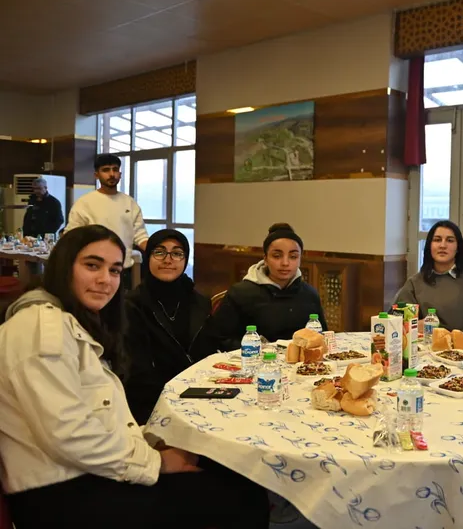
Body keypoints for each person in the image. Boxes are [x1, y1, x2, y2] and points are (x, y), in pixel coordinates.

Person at [0, 225, 269, 529]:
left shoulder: (67, 321)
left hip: (85, 471)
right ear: (63, 266)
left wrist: (150, 443)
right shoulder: (41, 329)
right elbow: (69, 435)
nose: (105, 280)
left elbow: (95, 416)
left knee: (227, 471)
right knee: (241, 498)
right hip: (61, 493)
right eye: (92, 265)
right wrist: (156, 462)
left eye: (115, 270)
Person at [191, 223, 326, 358]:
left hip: (301, 365)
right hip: (252, 363)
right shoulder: (241, 293)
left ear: (300, 259)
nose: (285, 263)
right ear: (265, 259)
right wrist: (258, 349)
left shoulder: (309, 294)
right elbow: (218, 338)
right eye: (277, 256)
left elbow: (321, 337)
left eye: (293, 257)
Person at [124, 229, 210, 425]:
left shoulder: (200, 302)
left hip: (199, 394)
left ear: (185, 260)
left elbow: (207, 350)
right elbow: (136, 370)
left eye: (177, 253)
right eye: (159, 252)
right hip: (151, 403)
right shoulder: (132, 305)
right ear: (148, 257)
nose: (168, 260)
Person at [65, 154, 148, 289]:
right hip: (94, 269)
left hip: (123, 269)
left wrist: (158, 250)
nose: (111, 174)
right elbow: (71, 235)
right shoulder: (84, 203)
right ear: (96, 175)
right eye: (106, 170)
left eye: (115, 169)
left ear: (120, 174)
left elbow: (141, 236)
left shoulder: (129, 203)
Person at [394, 220, 463, 332]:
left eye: (450, 240)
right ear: (429, 246)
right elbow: (396, 323)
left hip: (461, 343)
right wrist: (416, 326)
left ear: (458, 247)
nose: (442, 245)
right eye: (437, 240)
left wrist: (434, 330)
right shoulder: (414, 284)